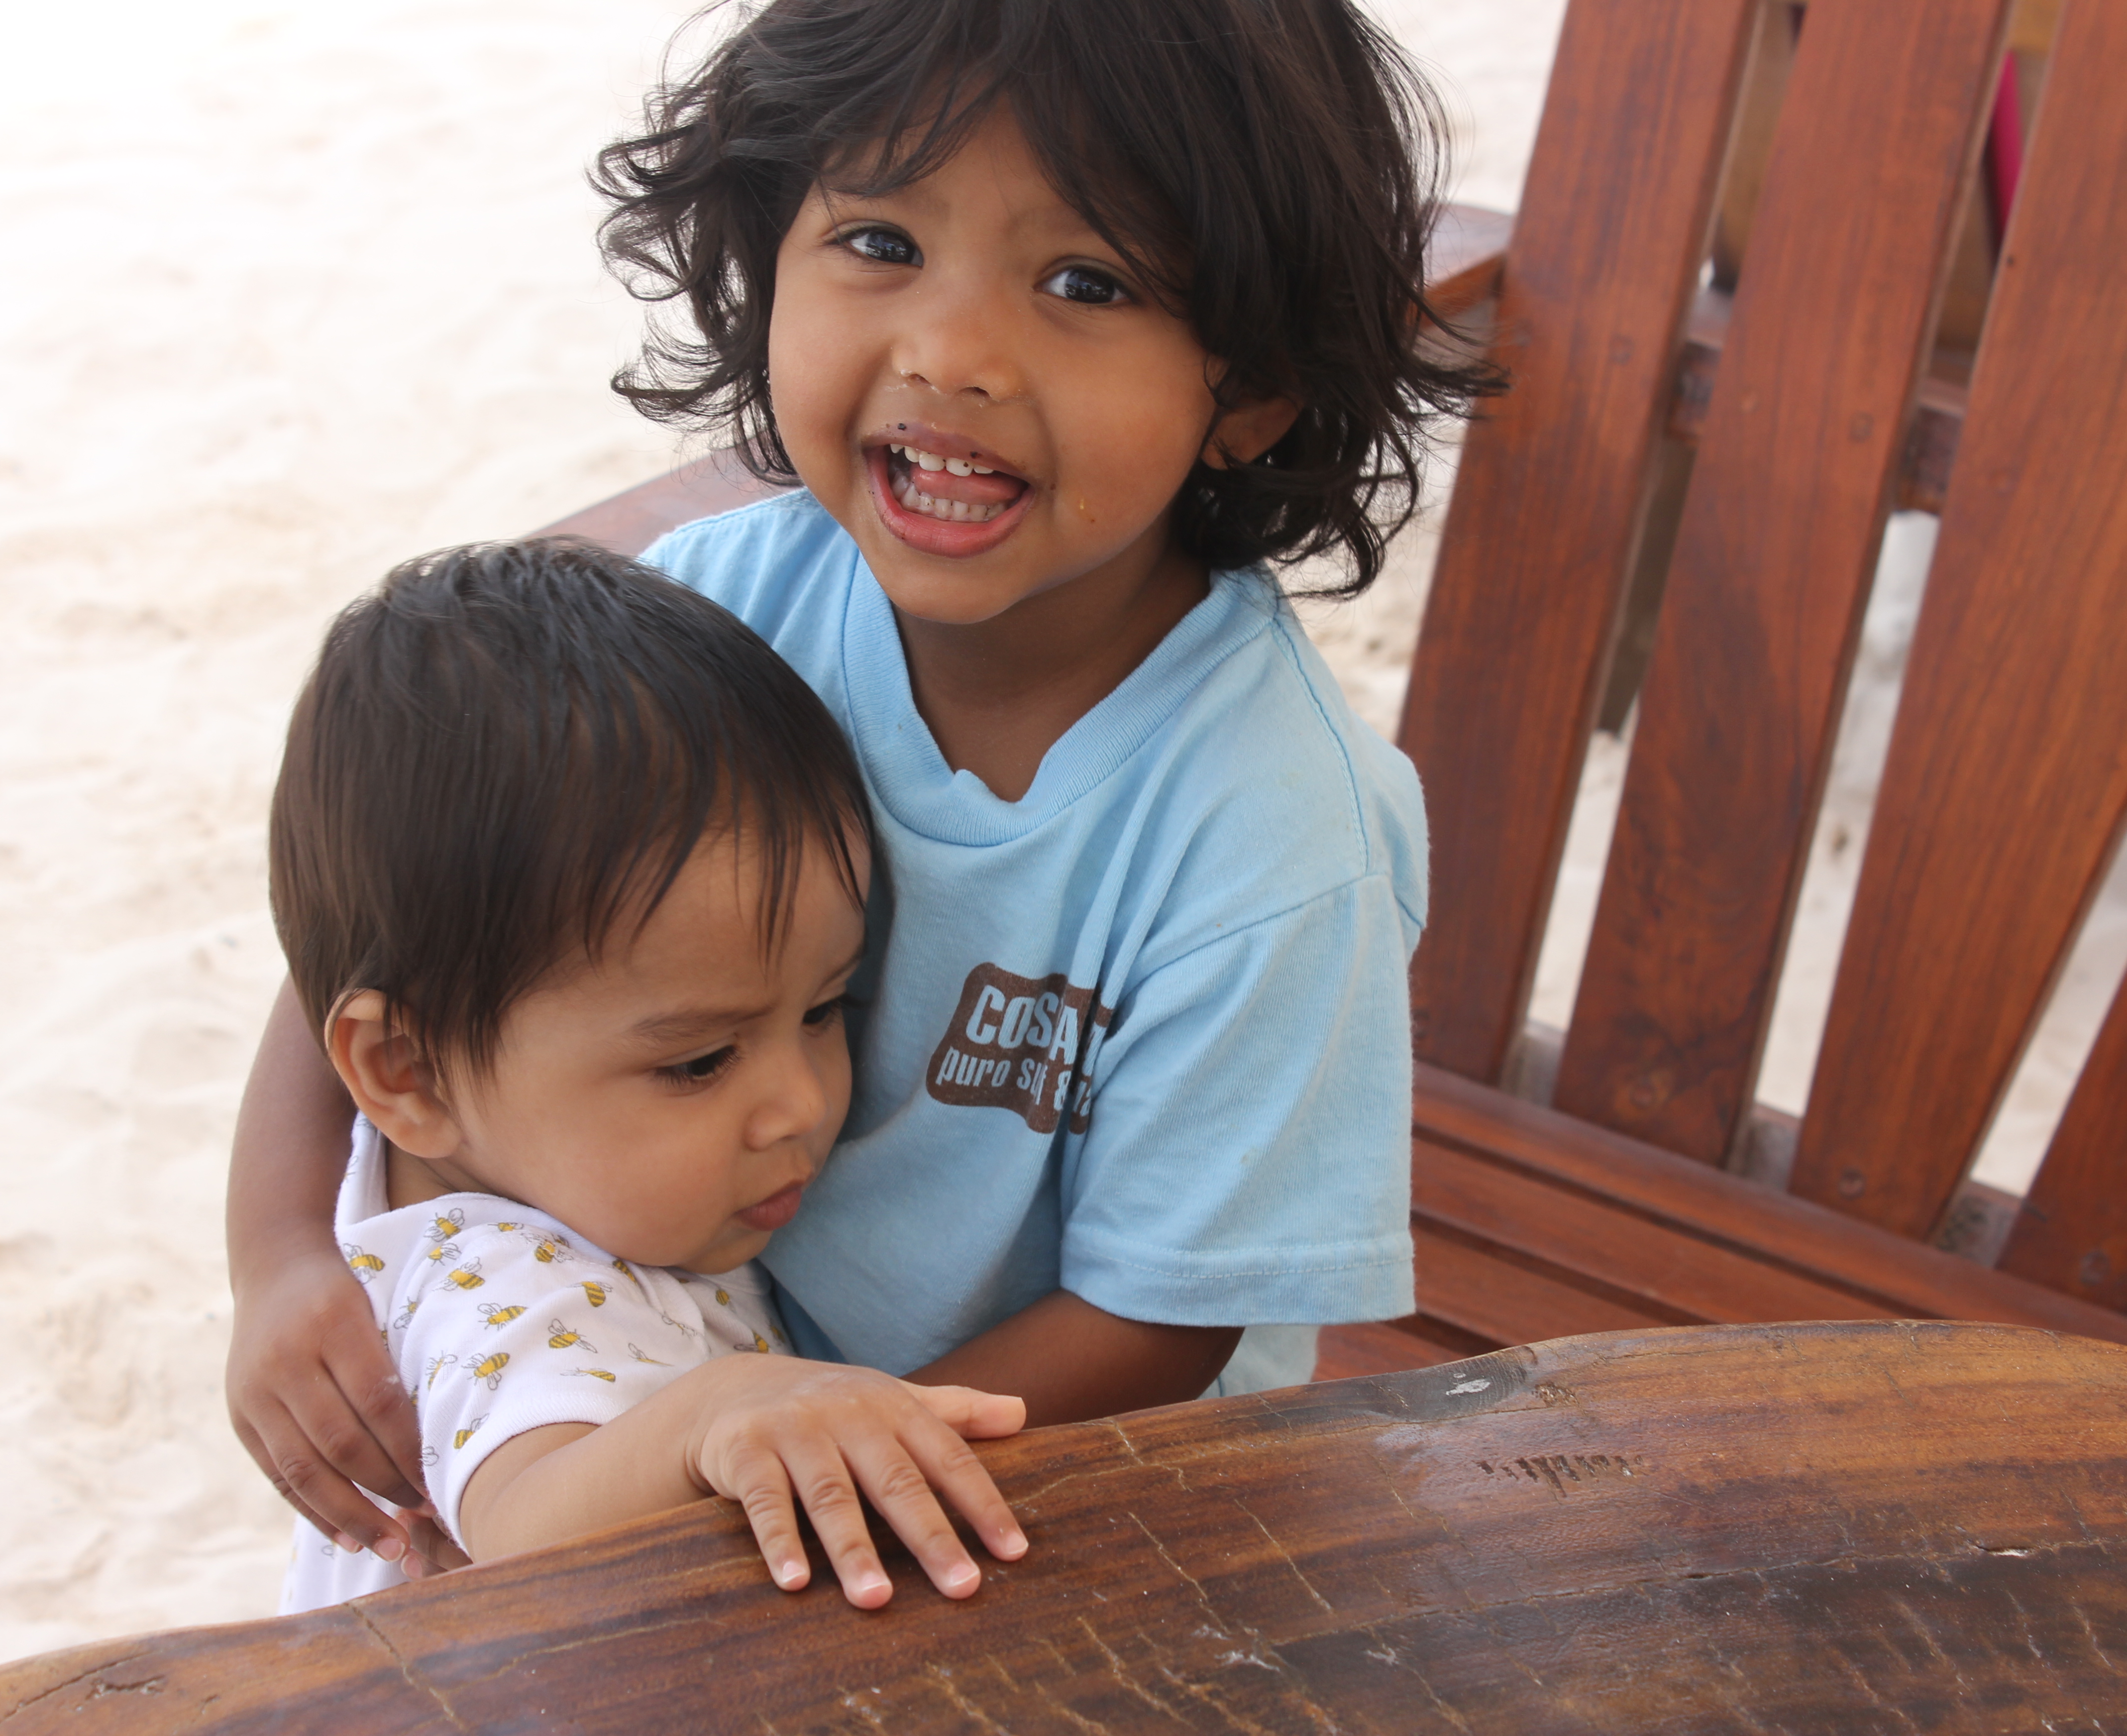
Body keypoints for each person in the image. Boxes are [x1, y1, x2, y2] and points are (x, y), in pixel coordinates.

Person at [227, 0, 1499, 1571]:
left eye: (1084, 281)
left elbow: (1157, 1320)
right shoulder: (729, 603)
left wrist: (825, 1455)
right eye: (882, 242)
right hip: (688, 1413)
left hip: (1047, 1489)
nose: (951, 354)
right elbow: (406, 902)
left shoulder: (1270, 833)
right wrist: (282, 1250)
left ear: (1250, 386)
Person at [266, 538, 1027, 1610]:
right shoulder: (504, 1285)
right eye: (700, 1060)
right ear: (407, 1073)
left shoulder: (502, 1130)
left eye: (823, 1010)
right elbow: (523, 1526)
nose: (802, 1105)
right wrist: (717, 1411)